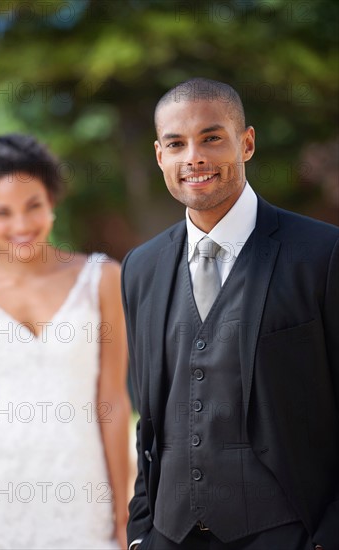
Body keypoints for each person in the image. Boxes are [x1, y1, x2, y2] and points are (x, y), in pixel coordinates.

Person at [121, 78, 339, 550]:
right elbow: (150, 419)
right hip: (169, 533)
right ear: (161, 156)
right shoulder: (140, 267)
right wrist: (141, 532)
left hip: (289, 532)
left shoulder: (322, 253)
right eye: (177, 144)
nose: (194, 157)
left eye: (211, 137)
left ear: (246, 142)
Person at [0, 134, 130, 549]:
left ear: (52, 203)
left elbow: (112, 401)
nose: (22, 225)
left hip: (84, 492)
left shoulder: (101, 278)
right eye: (3, 212)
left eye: (33, 205)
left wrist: (123, 509)